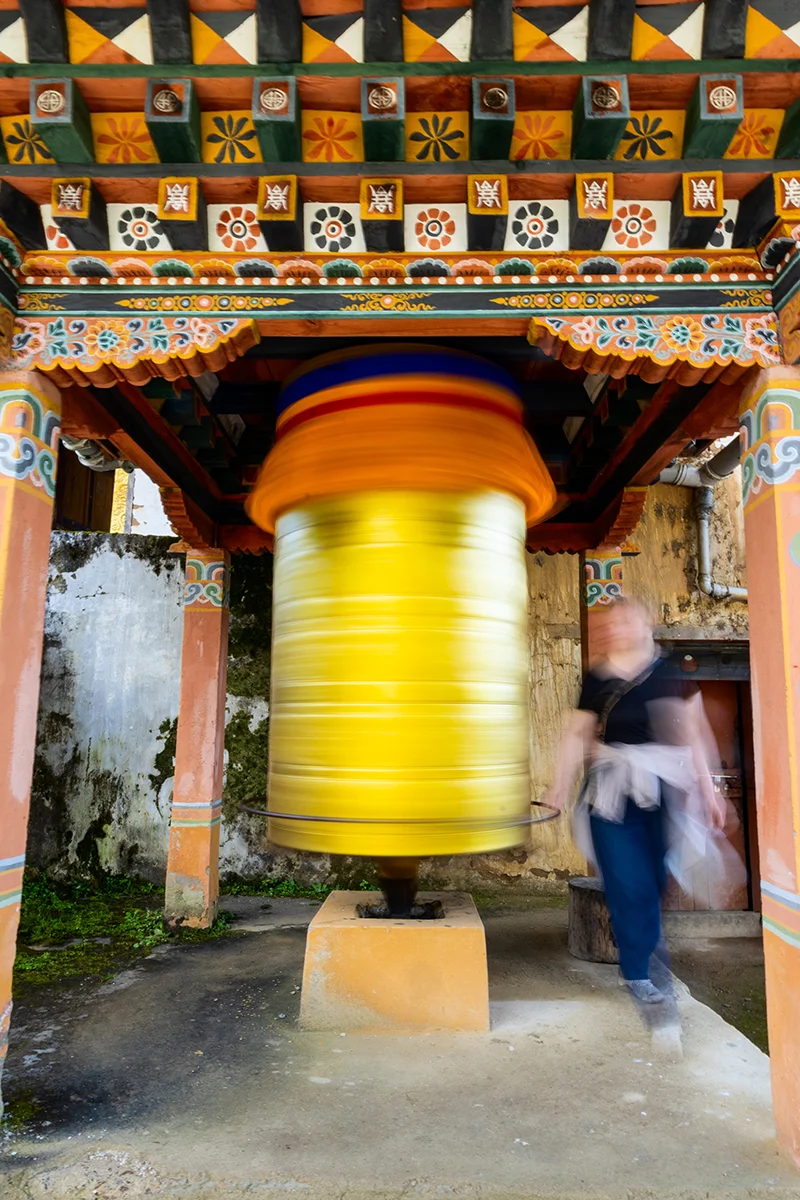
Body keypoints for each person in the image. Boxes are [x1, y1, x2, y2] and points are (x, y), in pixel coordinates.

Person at [546, 598, 728, 1049]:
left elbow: (692, 731)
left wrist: (709, 789)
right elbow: (576, 736)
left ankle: (645, 956)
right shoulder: (597, 679)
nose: (619, 627)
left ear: (645, 623)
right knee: (629, 882)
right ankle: (640, 974)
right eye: (613, 622)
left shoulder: (669, 671)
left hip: (662, 791)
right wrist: (557, 785)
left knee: (656, 878)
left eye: (627, 619)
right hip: (610, 794)